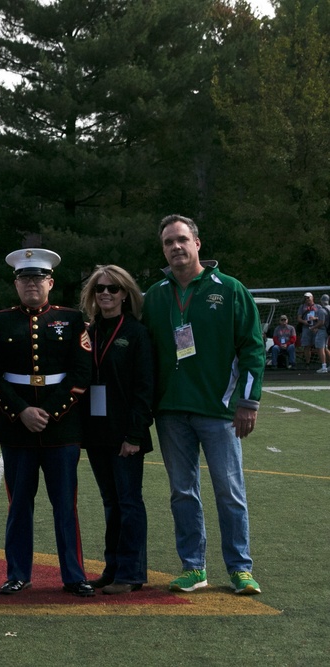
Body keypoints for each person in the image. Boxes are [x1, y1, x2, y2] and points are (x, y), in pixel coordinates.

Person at [142, 214, 263, 595]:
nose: (175, 247)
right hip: (172, 411)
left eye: (181, 239)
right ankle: (193, 567)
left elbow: (252, 349)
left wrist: (247, 401)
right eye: (168, 242)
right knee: (182, 491)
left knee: (229, 490)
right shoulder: (155, 295)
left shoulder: (229, 289)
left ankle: (240, 568)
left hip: (220, 411)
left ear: (197, 243)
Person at [0, 248, 94, 598]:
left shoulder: (73, 319)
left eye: (37, 278)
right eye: (24, 278)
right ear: (15, 283)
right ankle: (18, 573)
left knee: (65, 504)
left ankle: (74, 575)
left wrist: (49, 412)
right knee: (19, 505)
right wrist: (21, 412)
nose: (31, 284)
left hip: (61, 427)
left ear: (51, 282)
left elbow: (81, 374)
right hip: (15, 425)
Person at [78, 265, 153, 595]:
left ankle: (131, 572)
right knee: (111, 503)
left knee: (129, 501)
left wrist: (134, 435)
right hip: (96, 433)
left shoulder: (136, 333)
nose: (105, 293)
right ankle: (112, 569)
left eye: (113, 288)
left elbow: (144, 388)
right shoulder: (88, 332)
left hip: (126, 435)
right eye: (99, 289)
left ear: (125, 293)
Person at [296, 292, 326, 372]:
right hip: (306, 328)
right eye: (305, 298)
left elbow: (322, 317)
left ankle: (324, 364)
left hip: (316, 328)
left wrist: (315, 318)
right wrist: (304, 321)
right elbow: (298, 318)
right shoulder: (302, 307)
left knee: (320, 346)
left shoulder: (318, 307)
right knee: (306, 346)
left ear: (312, 298)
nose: (307, 299)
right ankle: (307, 363)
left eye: (308, 297)